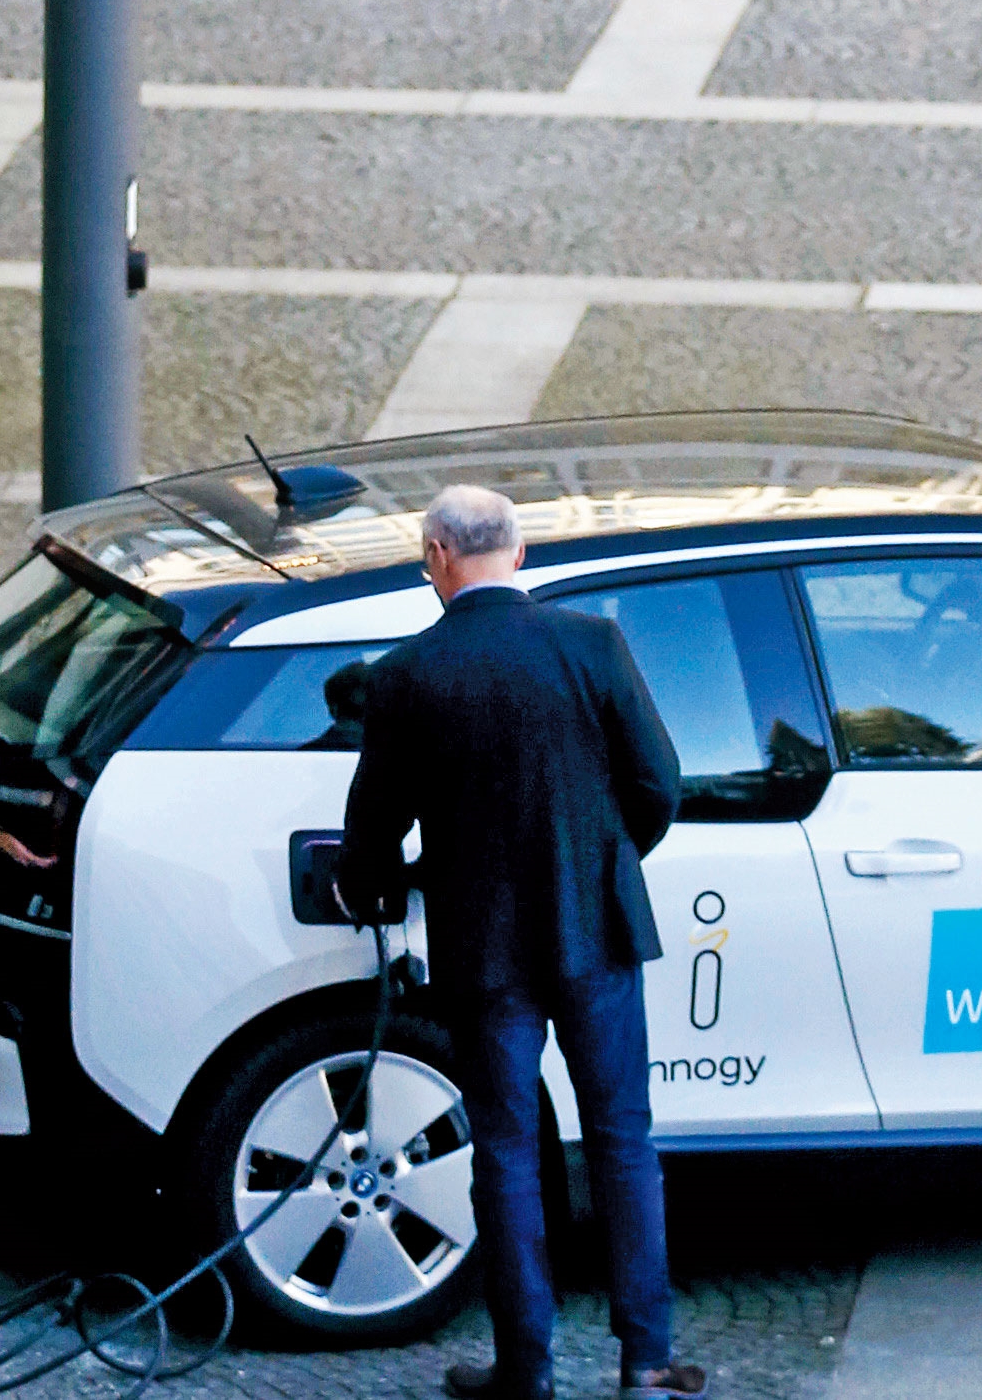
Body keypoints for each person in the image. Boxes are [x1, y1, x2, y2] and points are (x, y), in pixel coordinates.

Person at [337, 483, 700, 1400]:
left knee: (505, 1152)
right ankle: (647, 1361)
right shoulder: (592, 644)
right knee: (624, 1141)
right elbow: (659, 783)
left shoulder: (408, 673)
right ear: (520, 551)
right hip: (601, 932)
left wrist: (389, 887)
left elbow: (370, 838)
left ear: (436, 558)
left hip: (483, 949)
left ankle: (526, 1368)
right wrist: (604, 861)